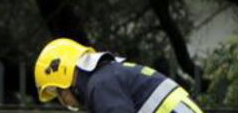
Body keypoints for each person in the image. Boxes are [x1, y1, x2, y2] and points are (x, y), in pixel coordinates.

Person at [34, 38, 203, 113]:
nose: (64, 103)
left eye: (60, 93)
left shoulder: (101, 85)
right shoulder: (109, 76)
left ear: (67, 78)